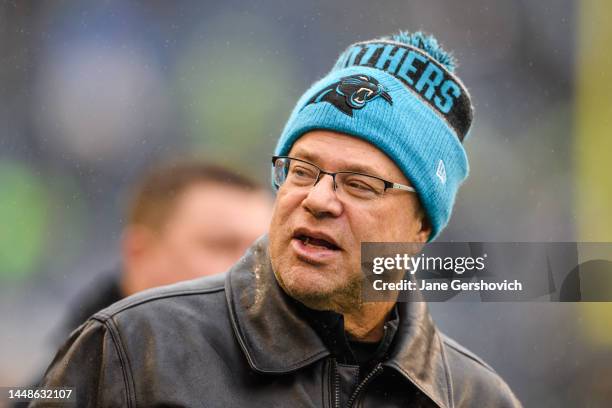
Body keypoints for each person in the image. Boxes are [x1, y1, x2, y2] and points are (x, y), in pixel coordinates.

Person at [34, 31, 522, 407]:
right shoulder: (132, 349)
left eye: (359, 184)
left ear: (420, 228)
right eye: (303, 170)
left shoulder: (478, 398)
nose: (319, 200)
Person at [58, 160, 273, 340]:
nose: (254, 268)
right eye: (222, 245)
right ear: (140, 255)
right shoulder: (62, 387)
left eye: (264, 250)